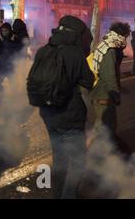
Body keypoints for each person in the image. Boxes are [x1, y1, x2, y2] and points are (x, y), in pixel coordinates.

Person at [36, 16, 94, 198]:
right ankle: (68, 195)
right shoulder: (75, 53)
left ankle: (57, 192)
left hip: (48, 115)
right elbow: (88, 81)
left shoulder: (44, 50)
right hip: (70, 115)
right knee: (78, 160)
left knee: (59, 157)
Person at [89, 22, 130, 142]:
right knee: (107, 125)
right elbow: (109, 75)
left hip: (99, 90)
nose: (126, 40)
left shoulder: (105, 43)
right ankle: (102, 154)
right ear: (121, 35)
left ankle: (97, 151)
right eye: (126, 36)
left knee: (101, 124)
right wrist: (115, 95)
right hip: (104, 93)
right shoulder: (110, 49)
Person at [0, 23, 16, 92]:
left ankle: (13, 97)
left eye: (6, 30)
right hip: (2, 66)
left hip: (11, 67)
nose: (4, 32)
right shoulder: (0, 42)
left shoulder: (13, 42)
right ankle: (5, 94)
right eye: (3, 31)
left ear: (9, 31)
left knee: (14, 84)